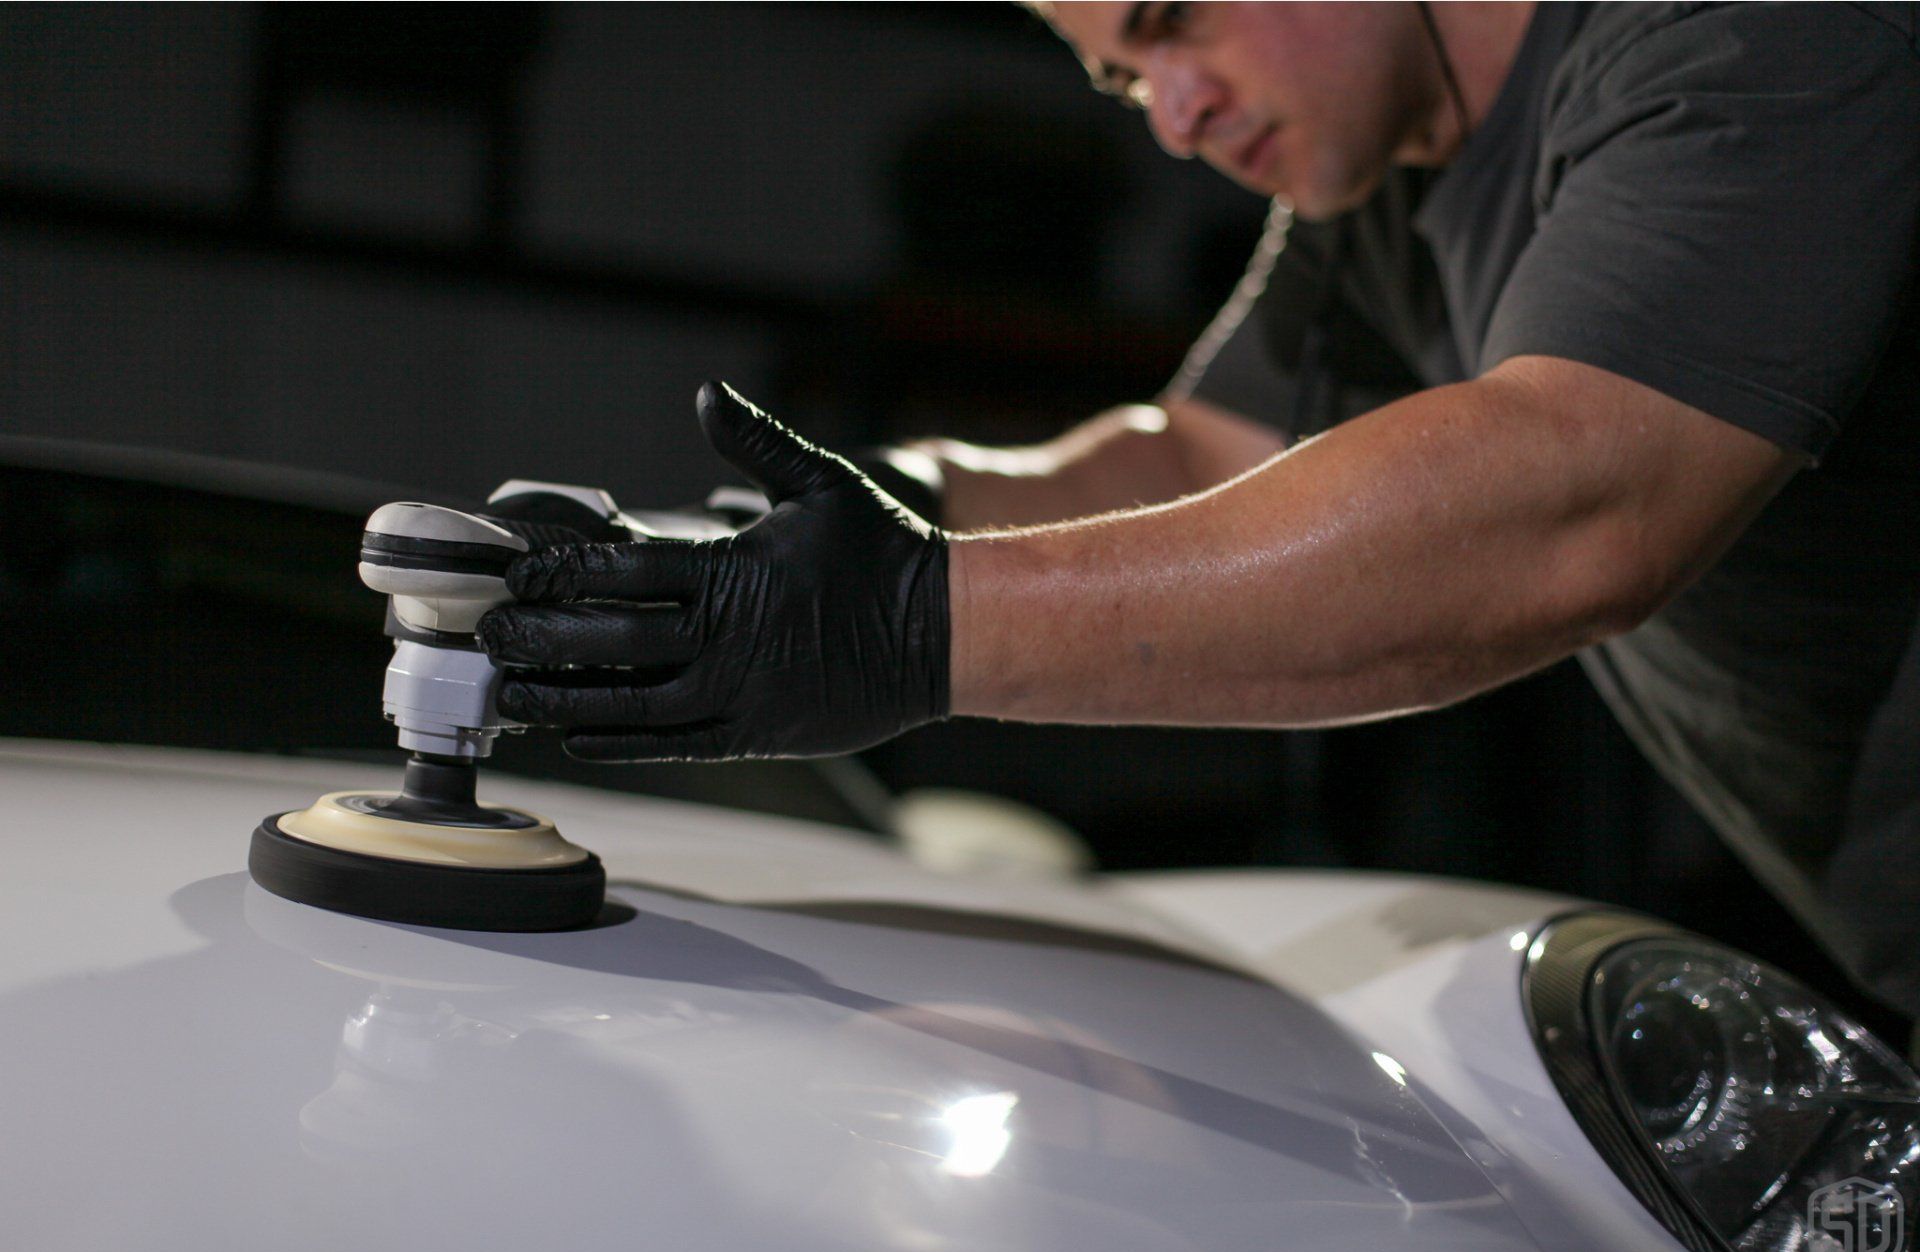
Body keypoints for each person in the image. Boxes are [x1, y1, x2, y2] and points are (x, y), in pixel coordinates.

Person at [478, 3, 1920, 1018]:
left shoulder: (1757, 32)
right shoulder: (1378, 192)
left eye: (1175, 18)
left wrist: (915, 626)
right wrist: (858, 514)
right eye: (1122, 81)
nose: (1175, 121)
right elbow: (1192, 462)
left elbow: (1577, 499)